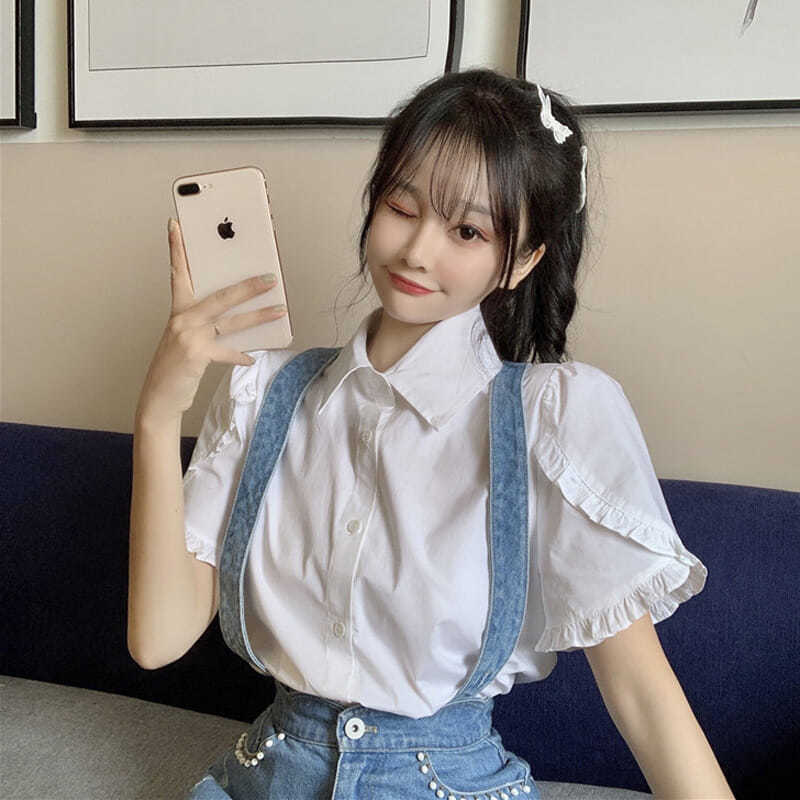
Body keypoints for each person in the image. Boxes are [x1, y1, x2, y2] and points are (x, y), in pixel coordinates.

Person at [128, 68, 734, 799]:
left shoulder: (551, 416)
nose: (417, 250)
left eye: (467, 231)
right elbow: (156, 641)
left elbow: (641, 693)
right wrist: (159, 413)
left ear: (523, 259)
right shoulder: (265, 393)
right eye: (401, 206)